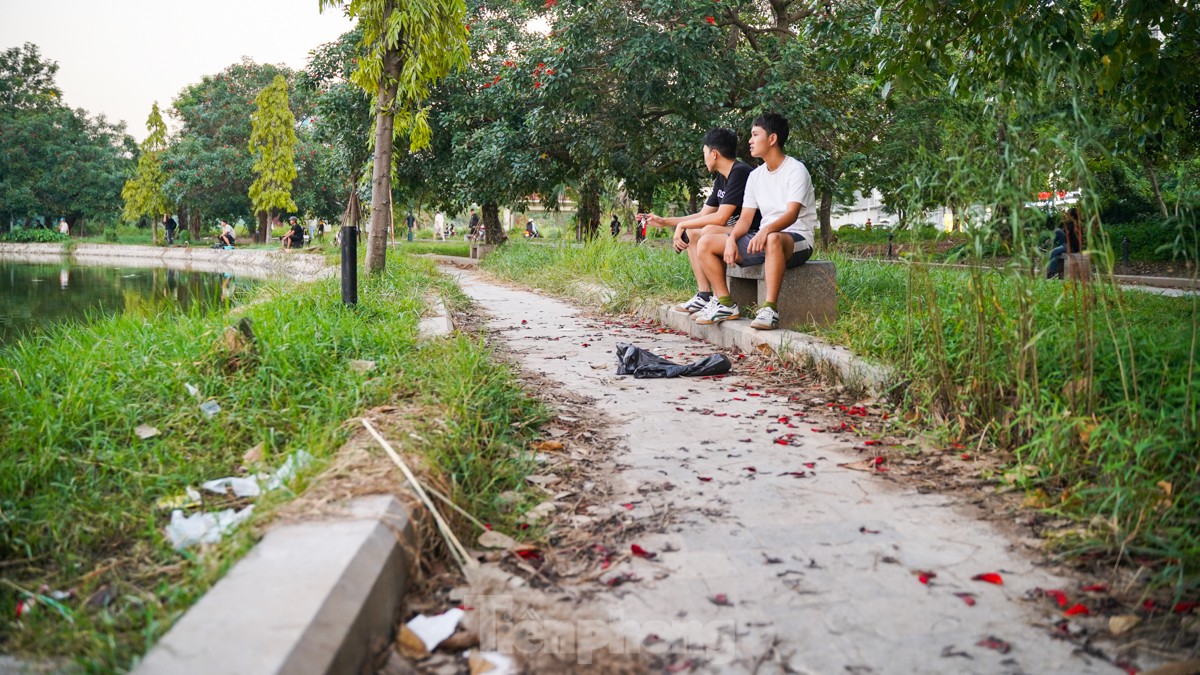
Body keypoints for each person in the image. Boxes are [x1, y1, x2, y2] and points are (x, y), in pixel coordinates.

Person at [694, 113, 816, 330]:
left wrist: (765, 231)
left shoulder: (796, 170)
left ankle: (770, 309)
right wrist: (732, 239)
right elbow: (746, 218)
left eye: (755, 134)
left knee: (773, 239)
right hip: (763, 237)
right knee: (706, 242)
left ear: (772, 139)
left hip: (796, 239)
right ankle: (725, 303)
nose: (749, 140)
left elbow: (792, 214)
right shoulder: (756, 176)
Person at [645, 128, 761, 315]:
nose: (704, 158)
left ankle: (721, 299)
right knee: (694, 232)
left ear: (714, 154)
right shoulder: (721, 178)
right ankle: (704, 295)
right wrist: (665, 221)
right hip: (733, 230)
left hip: (752, 231)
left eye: (704, 153)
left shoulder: (740, 172)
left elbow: (721, 217)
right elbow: (703, 215)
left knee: (706, 231)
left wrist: (682, 225)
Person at [1046, 207, 1082, 279]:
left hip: (1071, 246)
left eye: (1067, 214)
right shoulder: (1070, 223)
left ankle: (1052, 273)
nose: (1066, 215)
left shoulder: (1075, 225)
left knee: (1053, 252)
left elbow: (1075, 240)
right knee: (1058, 230)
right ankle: (1050, 243)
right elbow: (1063, 233)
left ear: (1072, 216)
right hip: (1066, 243)